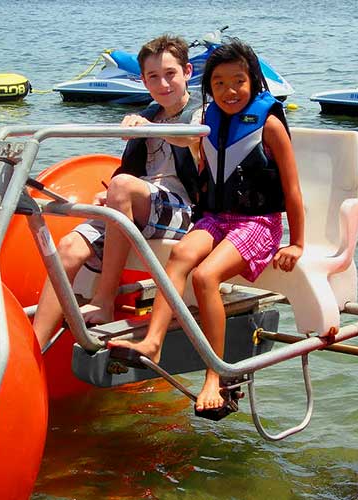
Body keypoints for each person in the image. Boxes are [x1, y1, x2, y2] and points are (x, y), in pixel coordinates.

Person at [108, 39, 305, 412]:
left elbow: (293, 190)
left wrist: (297, 244)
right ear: (208, 87)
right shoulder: (208, 121)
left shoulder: (271, 124)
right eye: (219, 84)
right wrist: (146, 128)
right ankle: (153, 341)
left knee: (205, 277)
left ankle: (216, 372)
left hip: (258, 222)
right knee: (181, 256)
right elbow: (185, 139)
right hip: (216, 217)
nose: (230, 91)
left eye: (238, 81)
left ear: (254, 82)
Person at [32, 34, 203, 348]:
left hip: (185, 209)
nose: (163, 84)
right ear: (143, 80)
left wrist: (145, 130)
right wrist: (113, 195)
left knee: (122, 187)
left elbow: (190, 138)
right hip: (143, 203)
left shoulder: (200, 111)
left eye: (170, 74)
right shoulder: (151, 112)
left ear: (187, 72)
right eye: (153, 77)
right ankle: (32, 349)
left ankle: (104, 299)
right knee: (69, 247)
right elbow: (128, 172)